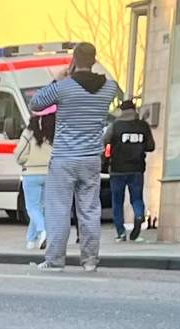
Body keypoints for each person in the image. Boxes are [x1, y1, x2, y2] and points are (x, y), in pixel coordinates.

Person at [31, 44, 119, 270]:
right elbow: (115, 89)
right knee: (90, 210)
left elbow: (36, 103)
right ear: (94, 60)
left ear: (74, 60)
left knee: (58, 210)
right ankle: (90, 260)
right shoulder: (109, 88)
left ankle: (55, 260)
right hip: (91, 159)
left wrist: (59, 78)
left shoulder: (63, 87)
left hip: (64, 158)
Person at [104, 99, 156, 239]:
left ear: (121, 111)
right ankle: (139, 215)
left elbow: (105, 141)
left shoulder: (115, 126)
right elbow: (151, 146)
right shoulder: (143, 126)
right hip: (137, 169)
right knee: (137, 198)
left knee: (117, 202)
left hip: (117, 169)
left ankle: (121, 232)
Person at [19, 104, 54, 252]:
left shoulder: (28, 133)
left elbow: (19, 154)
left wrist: (25, 161)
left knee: (32, 207)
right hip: (49, 173)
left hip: (31, 173)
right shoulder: (53, 132)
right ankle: (31, 240)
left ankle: (42, 230)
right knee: (42, 208)